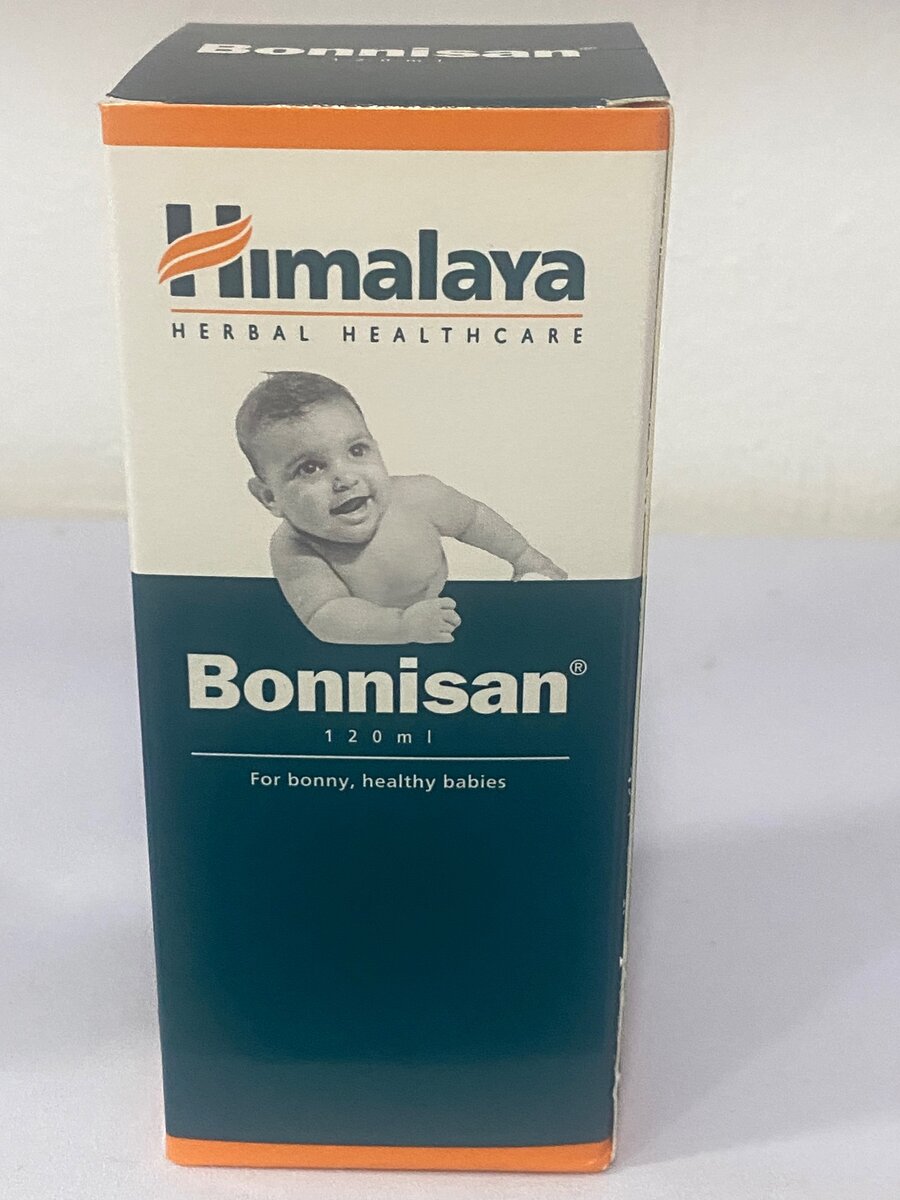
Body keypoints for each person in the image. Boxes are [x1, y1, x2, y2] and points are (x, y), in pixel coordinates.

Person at [236, 371, 566, 644]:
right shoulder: (295, 547)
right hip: (367, 641)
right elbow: (325, 614)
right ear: (270, 497)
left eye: (356, 450)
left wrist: (522, 555)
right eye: (310, 468)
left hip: (444, 610)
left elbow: (473, 519)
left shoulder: (418, 496)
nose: (345, 478)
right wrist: (402, 626)